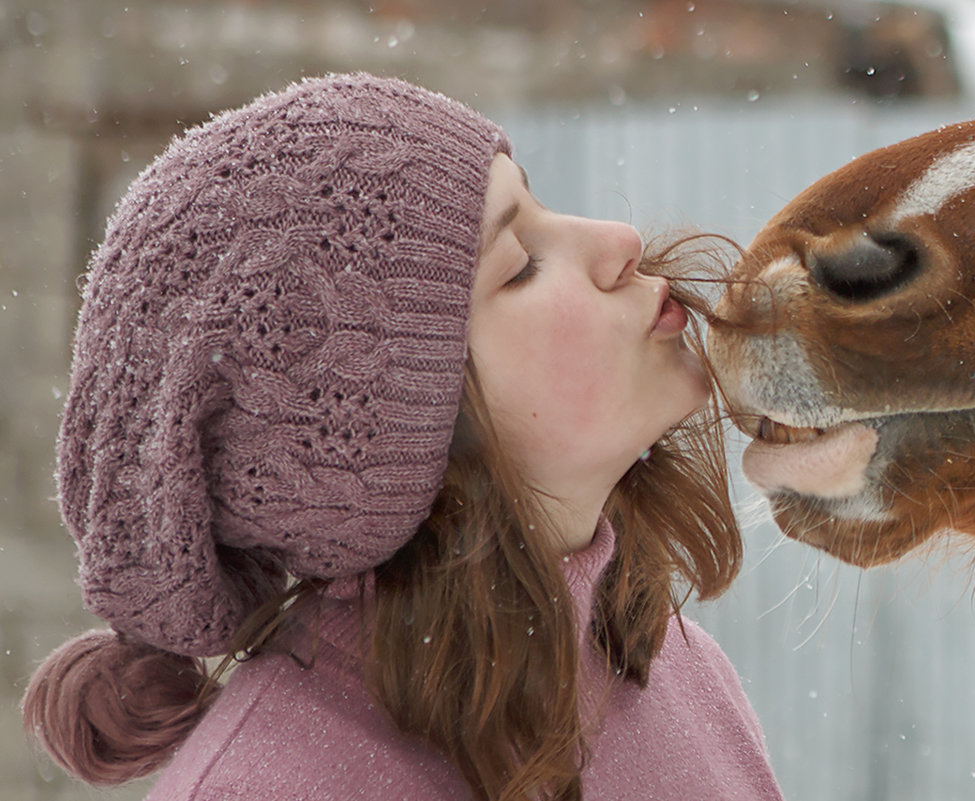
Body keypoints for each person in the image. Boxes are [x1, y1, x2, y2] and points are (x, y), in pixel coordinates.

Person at [21, 73, 784, 801]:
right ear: (400, 436)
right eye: (519, 266)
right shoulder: (268, 785)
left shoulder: (681, 677)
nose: (619, 238)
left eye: (541, 203)